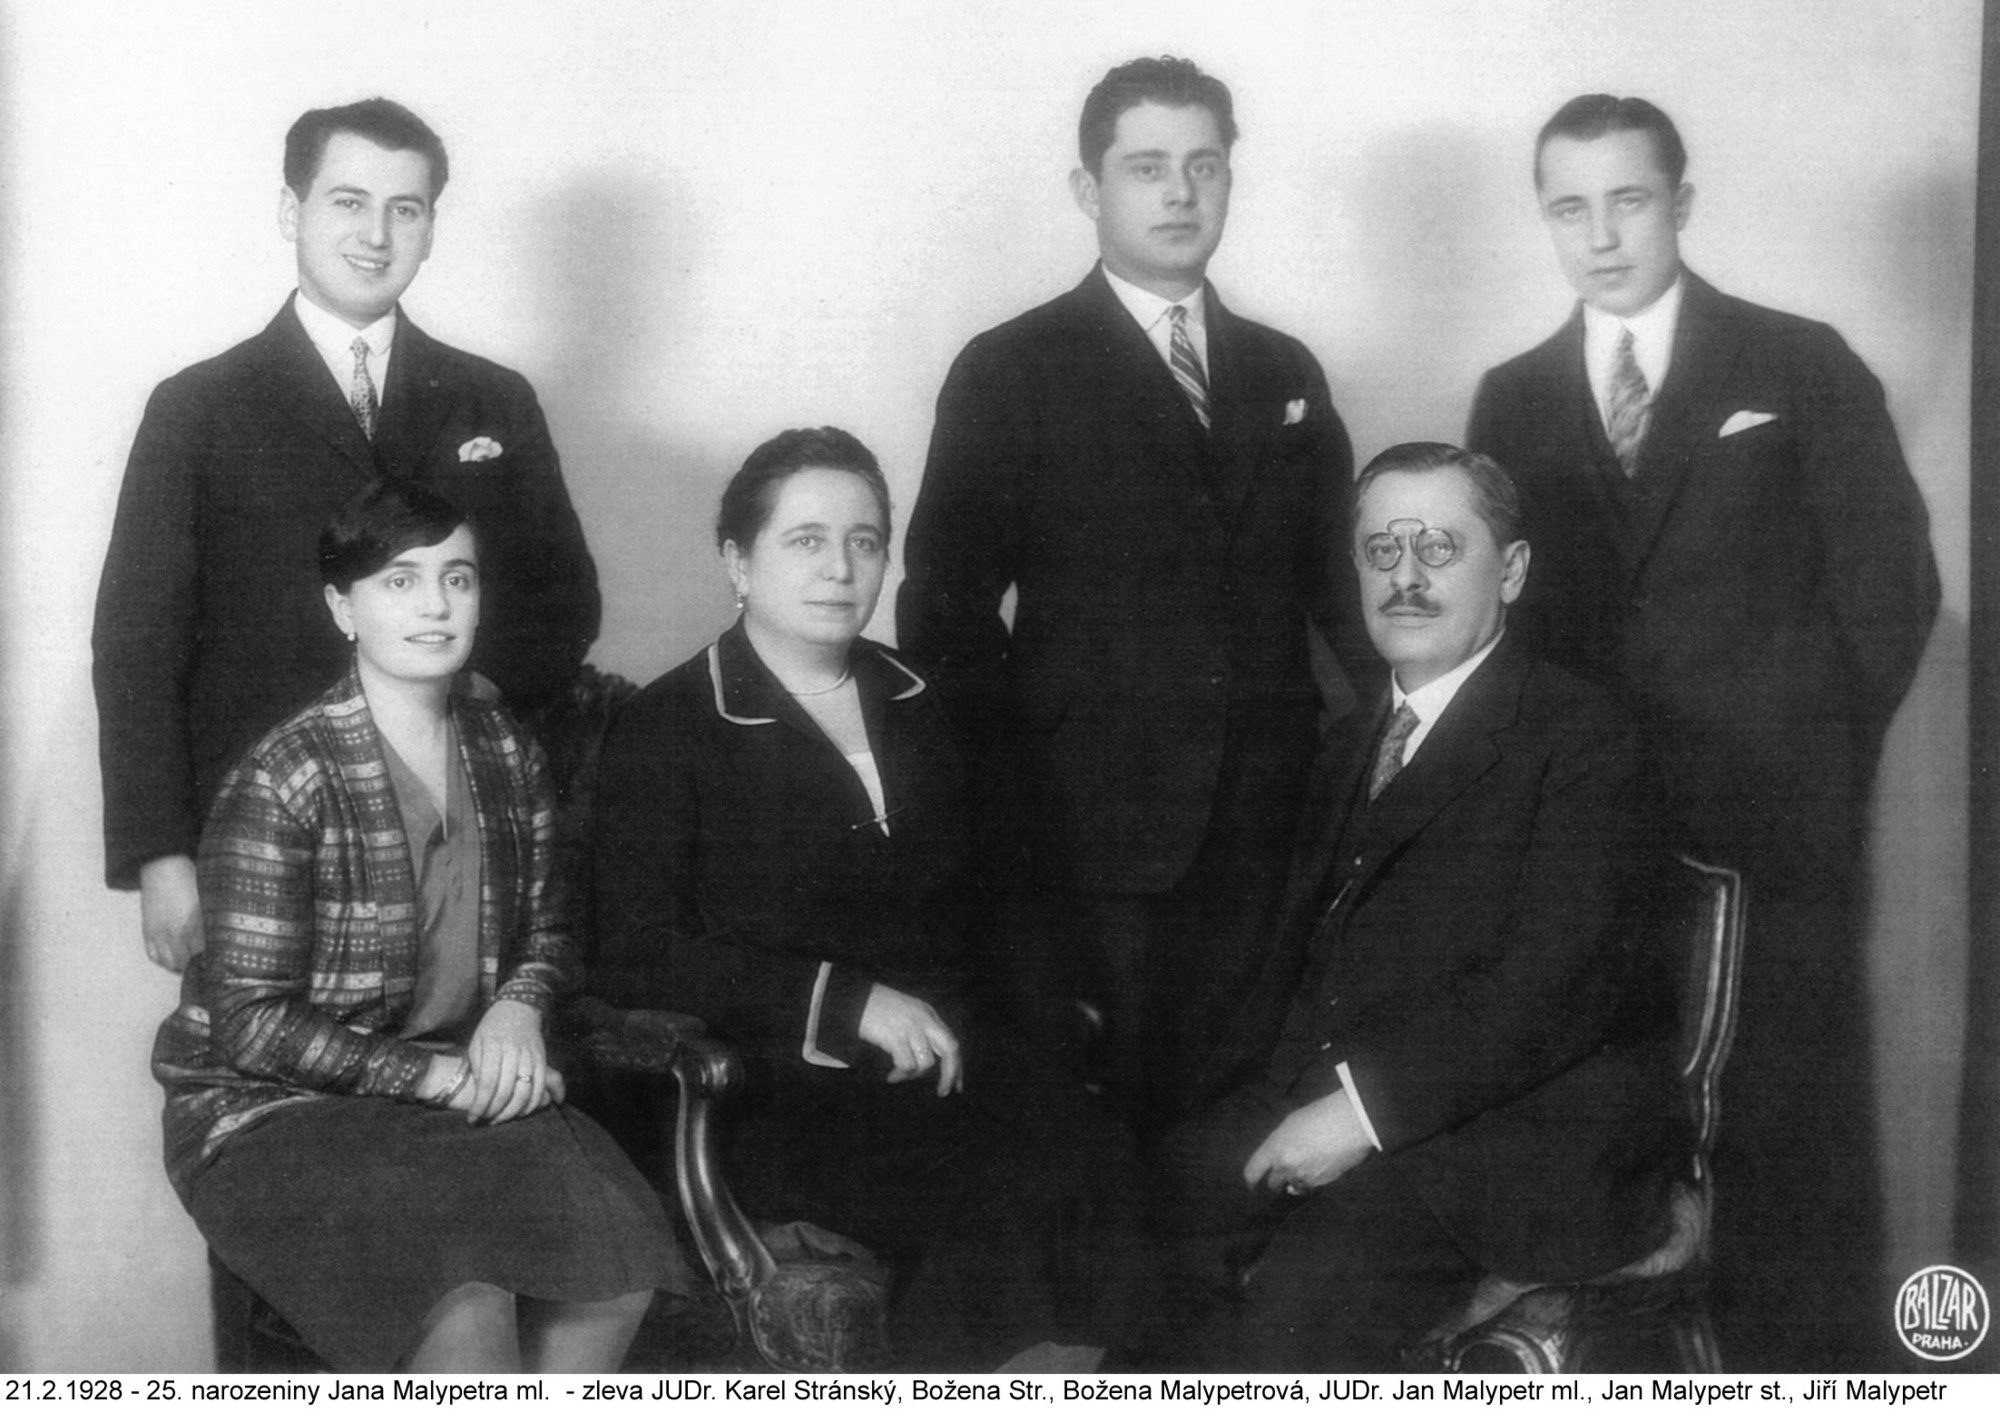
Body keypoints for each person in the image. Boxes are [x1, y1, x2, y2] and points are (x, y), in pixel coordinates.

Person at [1464, 95, 1940, 1370]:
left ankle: (1813, 1373)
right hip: (1592, 832)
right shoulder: (1512, 398)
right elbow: (1502, 621)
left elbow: (1890, 589)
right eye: (1569, 207)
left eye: (1627, 200)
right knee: (1609, 1110)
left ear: (1678, 202)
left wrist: (1808, 763)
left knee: (1786, 1120)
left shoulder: (1798, 362)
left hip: (1773, 825)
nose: (1600, 234)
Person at [590, 428, 1144, 1369]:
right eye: (806, 539)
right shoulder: (667, 726)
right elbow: (638, 950)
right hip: (785, 1093)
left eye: (865, 540)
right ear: (738, 560)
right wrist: (847, 1001)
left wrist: (1044, 1028)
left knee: (1106, 1162)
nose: (841, 568)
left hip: (960, 1068)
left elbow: (1005, 906)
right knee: (1004, 1191)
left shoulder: (932, 700)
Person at [897, 56, 1357, 1139]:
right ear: (1087, 189)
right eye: (1147, 167)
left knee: (1247, 1111)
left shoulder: (1284, 370)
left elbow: (1341, 594)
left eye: (1204, 166)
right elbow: (944, 616)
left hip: (1269, 818)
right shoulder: (1012, 368)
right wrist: (1015, 813)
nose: (1180, 193)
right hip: (1091, 832)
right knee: (1116, 1125)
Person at [1152, 444, 1682, 1371]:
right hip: (1340, 1093)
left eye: (1439, 547)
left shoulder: (1584, 736)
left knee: (1294, 1315)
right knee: (1140, 1231)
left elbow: (1553, 988)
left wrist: (1355, 1118)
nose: (1405, 577)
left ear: (1511, 571)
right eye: (1381, 549)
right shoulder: (1351, 740)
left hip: (1501, 1139)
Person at [151, 482, 686, 1373]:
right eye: (400, 581)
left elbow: (552, 926)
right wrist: (435, 1077)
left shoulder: (502, 745)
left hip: (447, 1088)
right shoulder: (284, 775)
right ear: (342, 608)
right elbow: (252, 1023)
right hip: (272, 1108)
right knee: (462, 1291)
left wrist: (518, 1006)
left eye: (457, 578)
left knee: (616, 1245)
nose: (435, 605)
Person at [95, 96, 600, 974]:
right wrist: (160, 854)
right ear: (292, 211)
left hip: (458, 818)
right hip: (264, 835)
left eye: (405, 208)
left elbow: (566, 602)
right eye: (348, 201)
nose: (376, 234)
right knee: (270, 1052)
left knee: (474, 1044)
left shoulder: (494, 398)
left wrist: (448, 695)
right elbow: (137, 644)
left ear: (431, 229)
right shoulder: (198, 409)